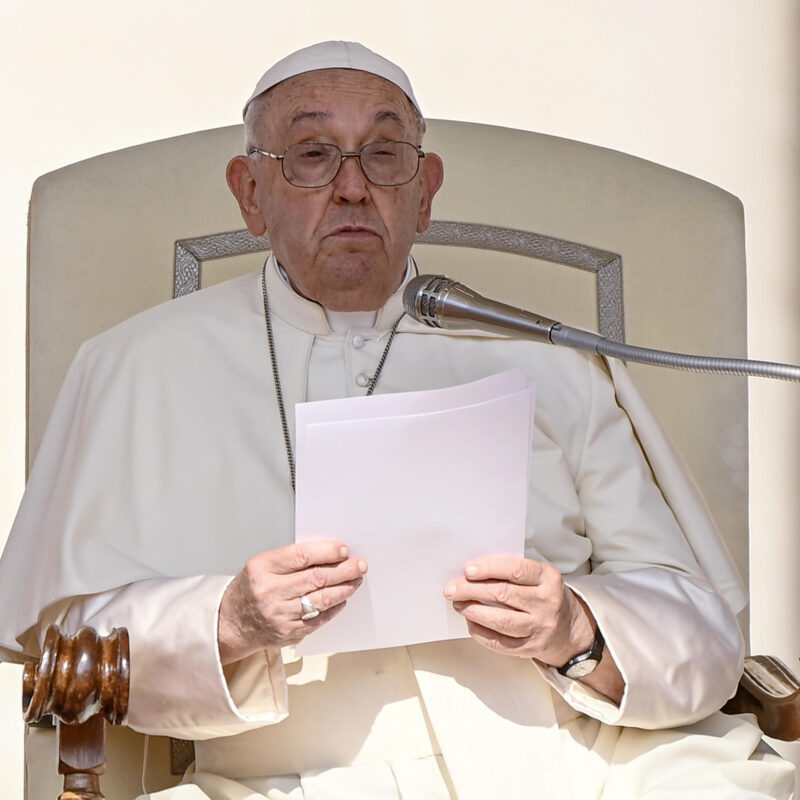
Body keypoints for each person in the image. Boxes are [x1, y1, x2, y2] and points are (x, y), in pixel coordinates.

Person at [0, 41, 794, 799]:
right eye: (312, 155)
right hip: (289, 782)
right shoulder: (138, 365)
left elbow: (700, 632)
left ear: (425, 191)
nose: (353, 187)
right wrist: (231, 619)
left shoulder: (547, 357)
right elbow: (75, 648)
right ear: (250, 193)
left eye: (384, 155)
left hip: (588, 766)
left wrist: (577, 630)